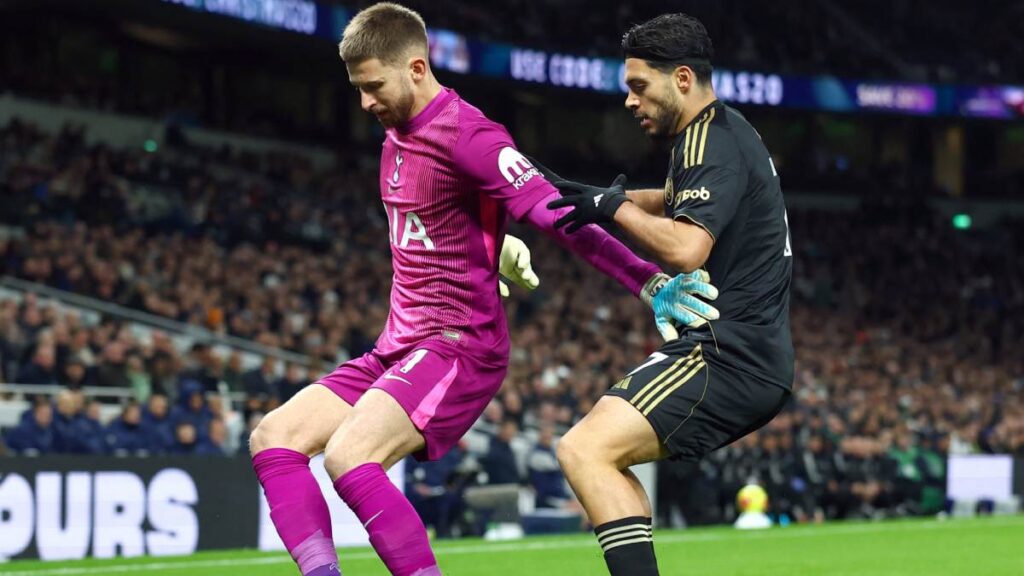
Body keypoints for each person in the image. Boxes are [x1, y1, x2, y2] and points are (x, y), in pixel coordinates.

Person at [247, 4, 718, 576]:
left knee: (351, 457)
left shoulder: (467, 134)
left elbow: (561, 215)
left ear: (417, 68)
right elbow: (437, 226)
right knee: (273, 438)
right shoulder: (395, 135)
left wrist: (647, 281)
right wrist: (492, 247)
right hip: (398, 344)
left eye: (374, 86)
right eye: (357, 89)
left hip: (457, 343)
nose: (365, 103)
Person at [536, 14, 794, 575]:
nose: (630, 101)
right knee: (597, 453)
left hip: (728, 358)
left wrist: (614, 208)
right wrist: (606, 196)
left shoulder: (707, 142)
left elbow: (685, 249)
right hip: (740, 353)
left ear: (681, 78)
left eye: (638, 86)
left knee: (584, 450)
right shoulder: (725, 132)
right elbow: (677, 198)